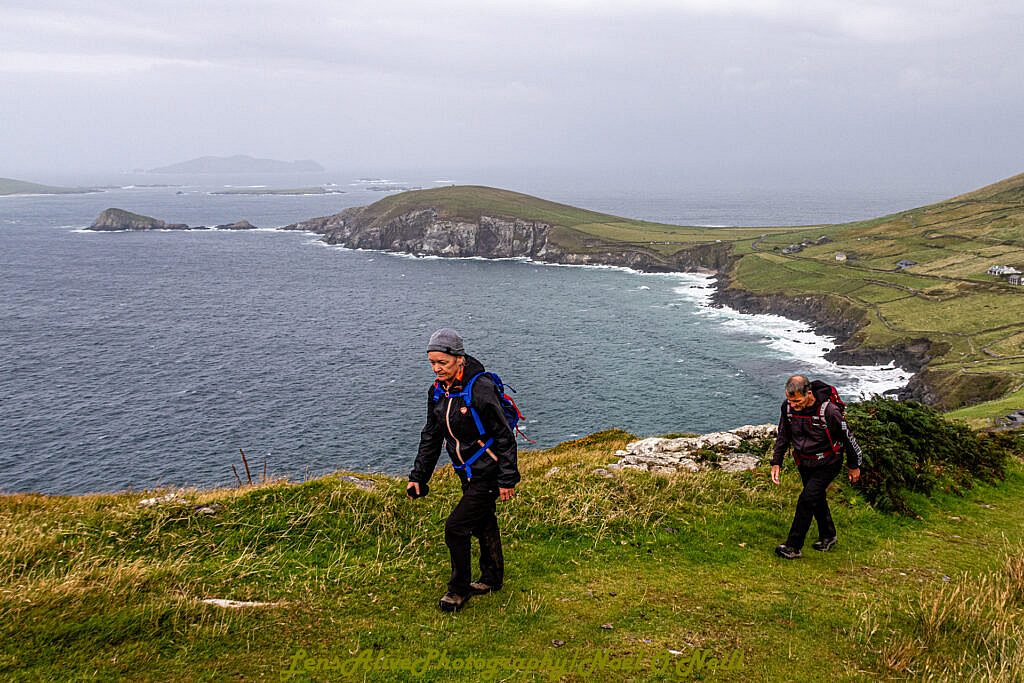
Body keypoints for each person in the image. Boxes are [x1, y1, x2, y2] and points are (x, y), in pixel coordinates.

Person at [407, 328, 520, 612]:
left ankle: (458, 590)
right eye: (432, 362)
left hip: (488, 472)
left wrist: (507, 479)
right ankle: (492, 577)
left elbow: (504, 437)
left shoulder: (480, 389)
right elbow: (431, 436)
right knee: (483, 522)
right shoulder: (437, 392)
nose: (436, 368)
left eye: (442, 362)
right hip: (465, 471)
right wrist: (418, 477)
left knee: (456, 527)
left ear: (459, 359)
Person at [770, 375, 862, 559]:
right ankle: (828, 535)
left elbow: (849, 439)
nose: (793, 405)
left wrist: (854, 466)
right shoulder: (787, 408)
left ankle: (793, 547)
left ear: (809, 394)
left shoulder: (830, 411)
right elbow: (783, 435)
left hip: (829, 462)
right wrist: (776, 462)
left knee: (806, 499)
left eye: (797, 401)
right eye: (790, 400)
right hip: (804, 462)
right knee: (816, 498)